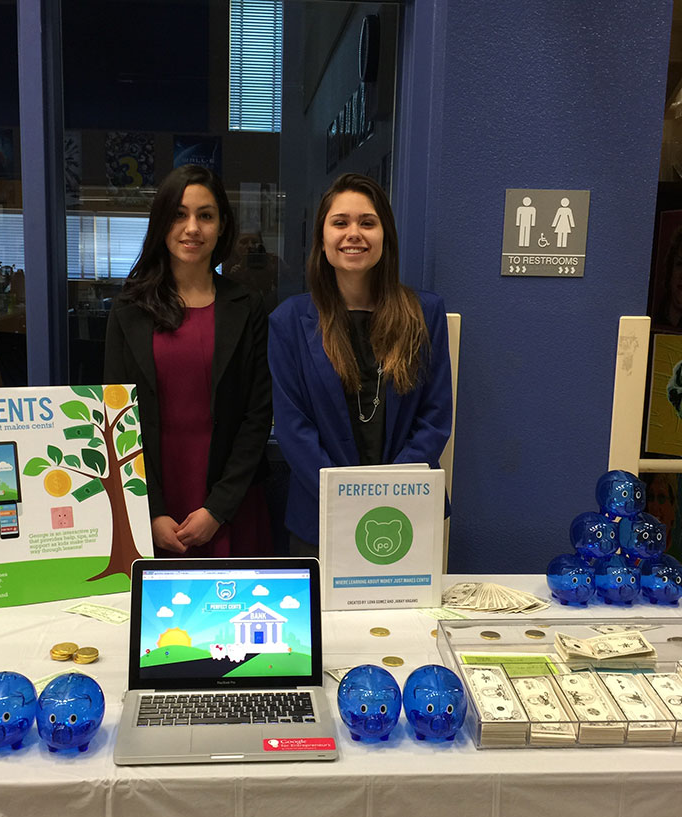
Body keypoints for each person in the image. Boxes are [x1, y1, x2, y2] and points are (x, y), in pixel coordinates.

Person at [268, 173, 453, 555]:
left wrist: (388, 495)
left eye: (367, 222)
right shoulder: (288, 320)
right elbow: (293, 428)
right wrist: (347, 500)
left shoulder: (425, 313)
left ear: (385, 236)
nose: (354, 233)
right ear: (322, 238)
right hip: (320, 517)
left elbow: (434, 419)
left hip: (407, 515)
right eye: (340, 223)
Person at [104, 164, 271, 557]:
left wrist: (217, 508)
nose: (192, 228)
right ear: (162, 222)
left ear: (222, 225)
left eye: (205, 215)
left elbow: (258, 414)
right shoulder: (128, 309)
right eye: (179, 214)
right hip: (151, 498)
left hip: (231, 501)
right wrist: (152, 510)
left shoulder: (247, 307)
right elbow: (116, 417)